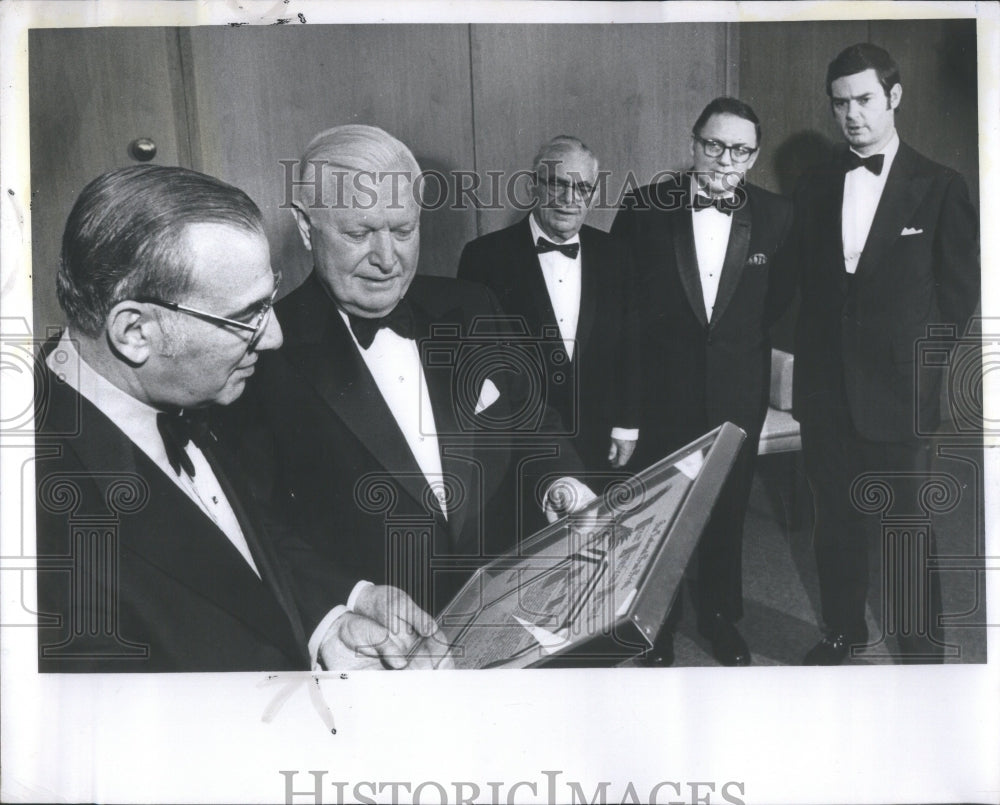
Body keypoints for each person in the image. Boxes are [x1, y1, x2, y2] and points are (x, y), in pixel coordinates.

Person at [34, 164, 437, 672]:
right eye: (246, 316)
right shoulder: (37, 515)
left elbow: (232, 542)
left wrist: (326, 624)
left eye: (270, 301)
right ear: (134, 332)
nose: (274, 338)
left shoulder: (182, 389)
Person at [227, 124, 595, 620]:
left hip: (508, 611)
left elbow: (533, 423)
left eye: (403, 230)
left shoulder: (471, 305)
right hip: (377, 645)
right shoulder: (262, 357)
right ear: (305, 227)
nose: (387, 259)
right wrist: (351, 599)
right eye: (359, 234)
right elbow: (255, 526)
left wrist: (560, 481)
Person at [790, 44, 979, 664]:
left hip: (899, 395)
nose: (852, 115)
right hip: (826, 393)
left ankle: (922, 652)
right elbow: (809, 291)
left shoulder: (941, 186)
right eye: (840, 103)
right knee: (834, 525)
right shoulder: (817, 186)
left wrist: (913, 370)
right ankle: (841, 631)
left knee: (906, 531)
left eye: (864, 99)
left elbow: (957, 298)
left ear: (894, 98)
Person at [611, 97, 795, 666]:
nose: (723, 159)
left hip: (735, 394)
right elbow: (621, 312)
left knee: (726, 509)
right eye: (713, 145)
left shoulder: (777, 215)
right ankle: (656, 627)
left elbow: (776, 304)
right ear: (693, 143)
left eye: (739, 150)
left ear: (754, 156)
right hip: (662, 394)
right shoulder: (644, 207)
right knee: (657, 516)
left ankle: (719, 617)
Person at [457, 135, 640, 473]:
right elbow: (473, 360)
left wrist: (626, 425)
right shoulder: (483, 257)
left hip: (598, 439)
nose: (569, 199)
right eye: (557, 184)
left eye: (583, 188)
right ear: (533, 187)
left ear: (594, 194)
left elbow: (630, 347)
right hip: (518, 441)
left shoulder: (617, 255)